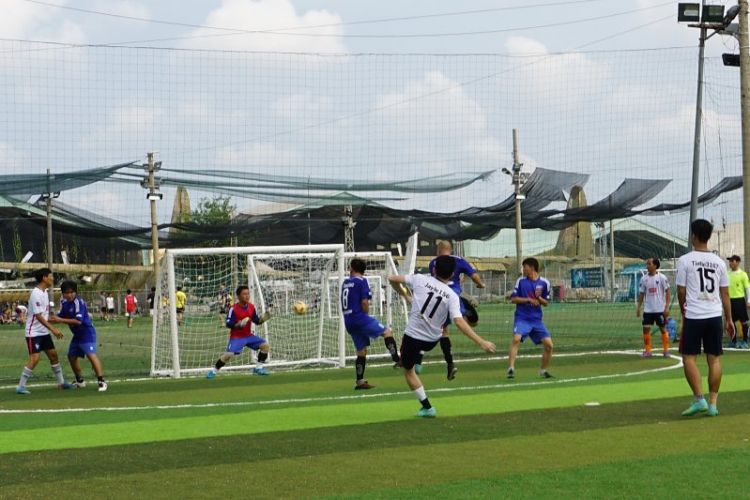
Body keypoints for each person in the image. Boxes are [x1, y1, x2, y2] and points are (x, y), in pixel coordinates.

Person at [389, 255, 496, 418]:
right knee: (435, 335)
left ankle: (427, 408)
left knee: (408, 371)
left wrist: (405, 295)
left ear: (433, 269)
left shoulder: (419, 279)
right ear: (453, 275)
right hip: (432, 339)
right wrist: (481, 342)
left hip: (413, 337)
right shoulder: (452, 295)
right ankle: (422, 360)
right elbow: (459, 322)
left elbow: (392, 279)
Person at [676, 219, 734, 417]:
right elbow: (724, 294)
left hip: (694, 315)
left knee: (689, 358)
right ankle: (713, 404)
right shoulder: (719, 262)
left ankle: (699, 399)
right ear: (708, 236)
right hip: (714, 315)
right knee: (714, 359)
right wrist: (729, 319)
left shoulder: (685, 260)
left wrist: (685, 311)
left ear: (693, 236)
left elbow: (681, 292)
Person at [416, 240, 485, 380]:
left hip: (438, 299)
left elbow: (437, 280)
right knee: (469, 323)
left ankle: (450, 364)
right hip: (453, 297)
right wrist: (481, 285)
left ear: (438, 250)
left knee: (442, 331)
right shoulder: (459, 260)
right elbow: (475, 276)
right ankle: (465, 307)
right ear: (451, 250)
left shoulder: (433, 263)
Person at [341, 258, 400, 390]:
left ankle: (360, 382)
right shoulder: (362, 281)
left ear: (351, 269)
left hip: (349, 321)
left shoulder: (345, 282)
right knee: (387, 332)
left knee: (361, 351)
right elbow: (364, 302)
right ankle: (397, 359)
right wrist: (365, 314)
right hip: (359, 317)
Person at [16, 268, 74, 394]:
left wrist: (55, 320)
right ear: (44, 278)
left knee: (53, 356)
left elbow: (44, 315)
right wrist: (53, 329)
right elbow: (38, 316)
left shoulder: (45, 292)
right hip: (34, 333)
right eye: (51, 276)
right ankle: (20, 387)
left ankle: (61, 383)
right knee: (35, 359)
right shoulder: (36, 293)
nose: (53, 278)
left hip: (43, 332)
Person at [50, 281, 108, 391]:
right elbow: (60, 316)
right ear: (63, 294)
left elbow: (78, 321)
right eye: (66, 293)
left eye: (72, 292)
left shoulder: (79, 302)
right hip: (77, 335)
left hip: (86, 333)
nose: (69, 295)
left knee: (91, 355)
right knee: (71, 357)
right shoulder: (64, 303)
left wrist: (60, 320)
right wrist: (47, 319)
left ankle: (102, 381)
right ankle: (80, 381)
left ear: (75, 292)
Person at [206, 285, 272, 379]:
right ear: (238, 296)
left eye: (248, 293)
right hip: (237, 337)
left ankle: (258, 368)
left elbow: (256, 321)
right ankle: (213, 371)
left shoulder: (252, 307)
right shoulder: (233, 309)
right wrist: (238, 325)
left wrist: (263, 318)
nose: (247, 296)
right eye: (244, 294)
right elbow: (228, 324)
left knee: (265, 346)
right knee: (229, 354)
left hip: (248, 336)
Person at [506, 257, 554, 379]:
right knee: (516, 339)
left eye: (525, 267)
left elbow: (546, 303)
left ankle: (543, 370)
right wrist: (528, 299)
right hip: (522, 317)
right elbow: (513, 299)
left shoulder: (544, 283)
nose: (523, 270)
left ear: (532, 268)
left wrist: (539, 299)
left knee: (549, 345)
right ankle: (511, 368)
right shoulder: (521, 281)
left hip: (536, 320)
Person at [635, 257, 672, 358]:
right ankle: (648, 351)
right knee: (646, 329)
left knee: (663, 329)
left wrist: (667, 307)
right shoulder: (644, 279)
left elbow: (668, 292)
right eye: (647, 264)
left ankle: (666, 350)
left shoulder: (662, 278)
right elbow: (642, 294)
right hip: (648, 310)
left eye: (649, 264)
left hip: (660, 309)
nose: (647, 266)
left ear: (655, 265)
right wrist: (638, 307)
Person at [725, 255, 750, 349]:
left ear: (737, 262)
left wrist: (748, 301)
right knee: (730, 321)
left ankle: (744, 342)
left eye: (731, 261)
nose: (730, 263)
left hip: (740, 301)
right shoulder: (727, 274)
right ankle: (733, 341)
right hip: (729, 301)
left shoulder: (743, 274)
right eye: (730, 261)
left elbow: (747, 288)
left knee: (743, 322)